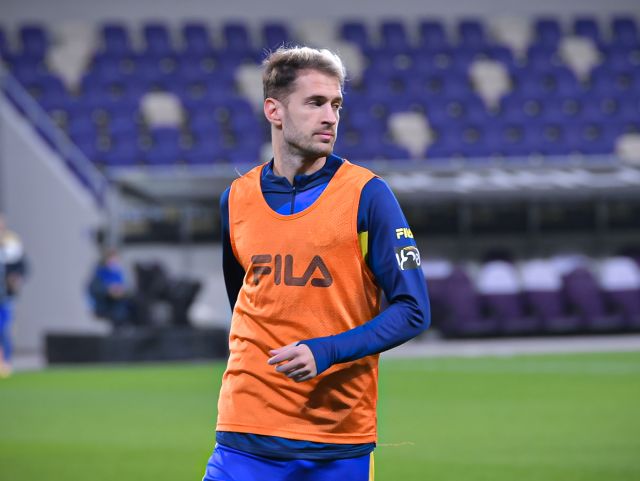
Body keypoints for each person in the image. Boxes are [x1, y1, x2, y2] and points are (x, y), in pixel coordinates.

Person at [202, 46, 430, 481]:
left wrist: (325, 351)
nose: (330, 117)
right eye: (315, 103)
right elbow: (244, 302)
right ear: (274, 110)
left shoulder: (368, 195)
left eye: (336, 105)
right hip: (244, 432)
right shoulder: (236, 199)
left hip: (336, 439)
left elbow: (413, 309)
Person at [0, 214, 28, 378]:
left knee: (4, 329)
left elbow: (23, 267)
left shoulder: (11, 243)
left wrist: (16, 278)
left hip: (5, 296)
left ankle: (6, 362)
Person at [87, 248, 133, 329]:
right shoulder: (100, 273)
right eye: (111, 260)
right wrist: (109, 290)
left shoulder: (119, 274)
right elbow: (94, 289)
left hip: (119, 305)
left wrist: (121, 291)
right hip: (104, 305)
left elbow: (126, 288)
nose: (114, 262)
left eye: (116, 260)